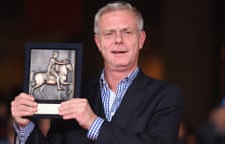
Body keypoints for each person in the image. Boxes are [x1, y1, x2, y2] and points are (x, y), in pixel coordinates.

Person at [10, 1, 183, 144]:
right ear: (98, 42)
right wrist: (25, 126)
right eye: (109, 34)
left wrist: (94, 124)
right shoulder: (72, 93)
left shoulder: (166, 95)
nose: (118, 40)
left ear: (141, 40)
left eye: (127, 32)